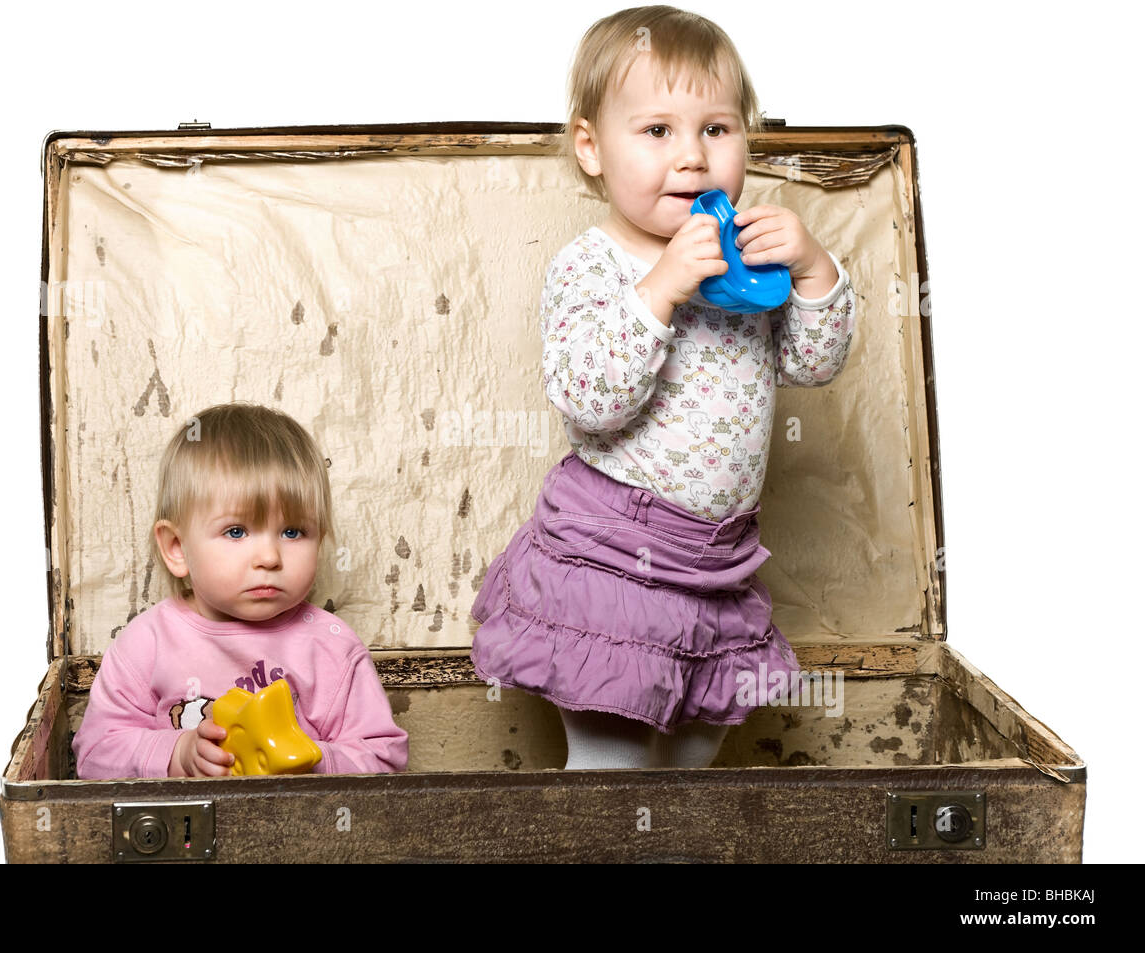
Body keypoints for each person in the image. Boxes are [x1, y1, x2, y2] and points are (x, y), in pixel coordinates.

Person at [470, 5, 856, 770]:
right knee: (613, 766)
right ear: (591, 148)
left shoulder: (748, 262)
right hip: (616, 554)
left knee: (691, 764)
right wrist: (663, 287)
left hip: (718, 562)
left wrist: (814, 271)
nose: (693, 158)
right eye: (657, 132)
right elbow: (589, 397)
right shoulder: (594, 265)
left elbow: (813, 364)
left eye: (717, 129)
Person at [73, 402, 408, 778]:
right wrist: (177, 753)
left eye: (293, 532)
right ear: (177, 549)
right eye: (236, 531)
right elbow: (94, 754)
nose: (269, 557)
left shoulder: (331, 646)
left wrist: (316, 762)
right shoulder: (147, 644)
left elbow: (385, 756)